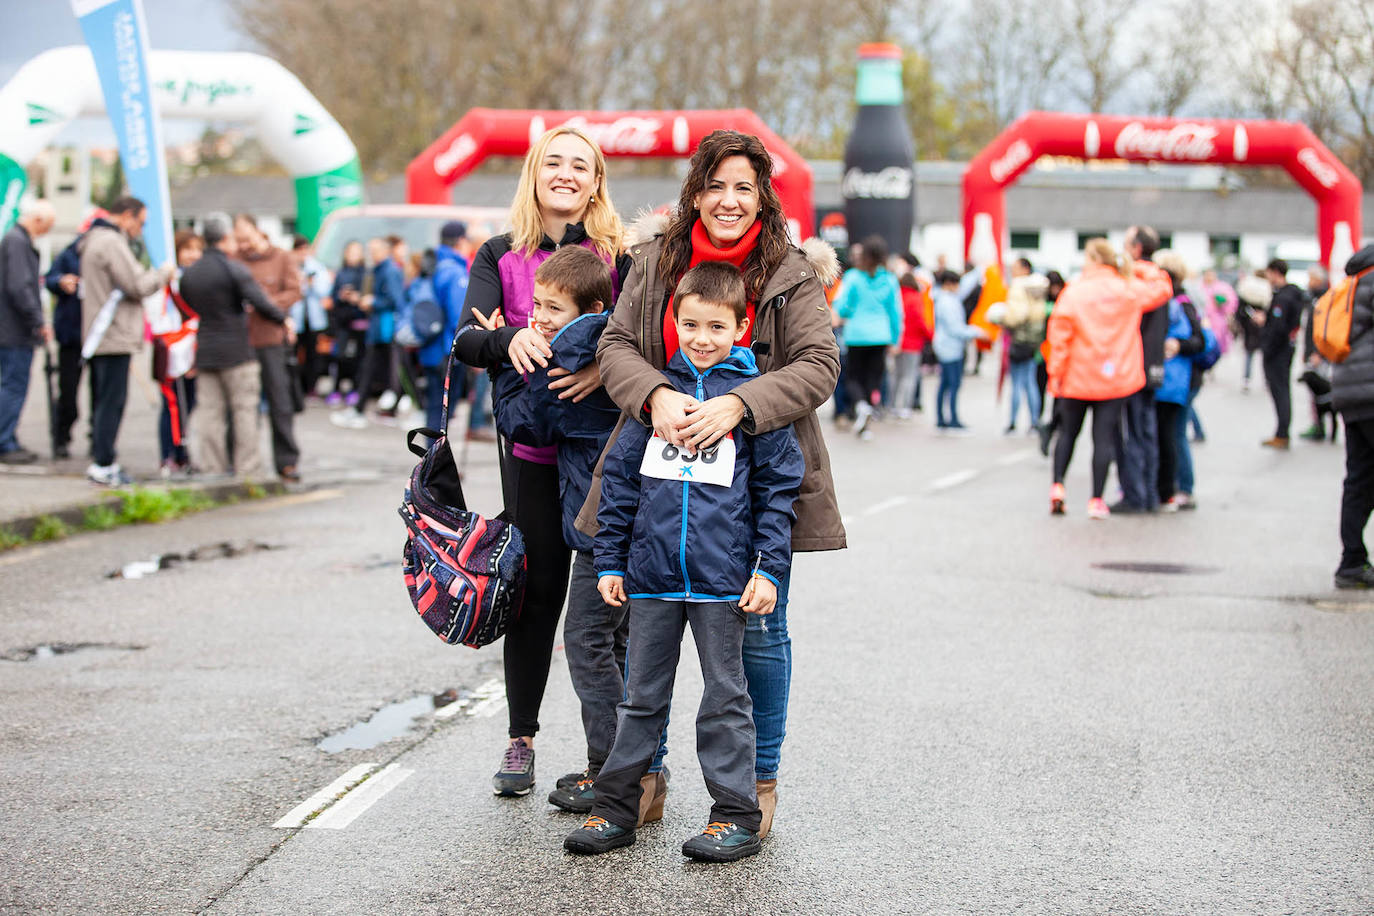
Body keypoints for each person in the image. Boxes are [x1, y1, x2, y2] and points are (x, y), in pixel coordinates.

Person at [587, 129, 844, 839]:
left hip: (752, 480)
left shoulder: (789, 269)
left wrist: (740, 403)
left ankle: (753, 789)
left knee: (755, 643)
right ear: (695, 191)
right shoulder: (656, 258)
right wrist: (654, 396)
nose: (729, 201)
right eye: (716, 185)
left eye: (744, 186)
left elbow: (820, 364)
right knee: (646, 640)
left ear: (762, 193)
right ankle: (641, 783)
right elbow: (614, 345)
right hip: (658, 480)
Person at [565, 262, 803, 862]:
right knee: (641, 697)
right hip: (651, 581)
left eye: (716, 326)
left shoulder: (748, 404)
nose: (702, 337)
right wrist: (611, 562)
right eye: (690, 324)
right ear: (674, 323)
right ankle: (618, 808)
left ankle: (735, 815)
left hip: (725, 584)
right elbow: (619, 483)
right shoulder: (657, 398)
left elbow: (778, 492)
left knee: (725, 698)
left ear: (741, 328)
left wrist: (769, 569)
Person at [450, 125, 627, 797]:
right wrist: (511, 339)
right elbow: (467, 338)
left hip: (602, 454)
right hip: (529, 453)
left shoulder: (619, 257)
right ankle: (520, 737)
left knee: (606, 610)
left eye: (579, 165)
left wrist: (601, 370)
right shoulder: (499, 253)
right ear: (534, 173)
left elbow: (640, 340)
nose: (565, 173)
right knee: (534, 595)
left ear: (595, 180)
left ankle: (605, 758)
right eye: (553, 162)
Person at [486, 246, 627, 815]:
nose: (539, 317)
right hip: (633, 520)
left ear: (592, 308)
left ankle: (613, 770)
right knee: (620, 644)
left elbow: (523, 422)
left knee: (588, 643)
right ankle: (633, 766)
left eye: (553, 307)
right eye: (536, 304)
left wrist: (504, 366)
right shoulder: (616, 347)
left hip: (600, 525)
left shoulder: (562, 357)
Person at [1046, 238, 1171, 518]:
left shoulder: (1074, 291)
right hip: (1114, 377)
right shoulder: (1128, 289)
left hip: (1076, 376)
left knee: (1068, 434)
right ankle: (1096, 500)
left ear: (1092, 259)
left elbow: (1059, 335)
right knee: (1103, 439)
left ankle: (1058, 487)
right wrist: (1142, 267)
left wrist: (1056, 374)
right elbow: (1163, 289)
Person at [180, 216, 288, 478]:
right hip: (237, 351)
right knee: (243, 412)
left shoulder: (191, 274)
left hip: (205, 350)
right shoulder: (233, 269)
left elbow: (186, 307)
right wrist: (282, 318)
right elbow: (261, 302)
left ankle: (212, 469)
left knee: (210, 414)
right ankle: (247, 470)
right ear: (225, 238)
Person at [79, 195, 175, 487]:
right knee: (112, 402)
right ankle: (104, 463)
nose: (140, 230)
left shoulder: (94, 239)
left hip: (101, 334)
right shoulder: (111, 242)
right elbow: (136, 284)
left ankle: (101, 458)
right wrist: (163, 275)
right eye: (141, 223)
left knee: (102, 400)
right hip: (113, 334)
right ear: (126, 216)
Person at [233, 215, 303, 480]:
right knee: (241, 405)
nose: (244, 245)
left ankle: (287, 461)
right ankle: (239, 462)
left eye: (247, 239)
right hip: (241, 341)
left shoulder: (282, 257)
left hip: (272, 339)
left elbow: (295, 291)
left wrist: (265, 303)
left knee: (279, 402)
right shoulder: (235, 260)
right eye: (239, 241)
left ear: (258, 233)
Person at [1113, 225, 1167, 514]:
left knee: (1131, 433)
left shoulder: (1135, 282)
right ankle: (1149, 495)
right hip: (1153, 364)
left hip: (1133, 365)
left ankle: (1135, 494)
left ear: (1136, 249)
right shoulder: (1161, 280)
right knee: (1147, 433)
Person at [44, 208, 106, 459]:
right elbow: (49, 278)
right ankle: (61, 437)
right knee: (68, 393)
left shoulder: (108, 253)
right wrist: (60, 282)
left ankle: (97, 440)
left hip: (99, 335)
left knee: (100, 393)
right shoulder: (69, 254)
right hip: (71, 335)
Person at [1330, 244, 1374, 589]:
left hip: (1349, 390)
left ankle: (1352, 562)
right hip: (1370, 388)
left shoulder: (1354, 281)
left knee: (1359, 476)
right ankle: (1353, 562)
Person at [0, 199, 56, 464]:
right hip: (14, 330)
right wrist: (38, 320)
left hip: (10, 328)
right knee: (13, 385)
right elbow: (20, 286)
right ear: (37, 220)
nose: (45, 232)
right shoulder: (18, 242)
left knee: (10, 385)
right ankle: (4, 440)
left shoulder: (13, 240)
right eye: (47, 227)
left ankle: (7, 437)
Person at [1151, 251, 1205, 511]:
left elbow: (1199, 341)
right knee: (1173, 434)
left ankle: (1182, 488)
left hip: (1182, 380)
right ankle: (1177, 486)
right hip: (1182, 379)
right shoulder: (1185, 299)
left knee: (1174, 434)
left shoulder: (1181, 302)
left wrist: (1177, 345)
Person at [833, 235, 902, 439]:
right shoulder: (889, 279)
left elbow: (842, 305)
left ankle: (861, 405)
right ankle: (867, 415)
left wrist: (844, 314)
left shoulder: (853, 277)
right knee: (874, 379)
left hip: (856, 335)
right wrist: (896, 339)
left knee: (853, 377)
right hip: (881, 335)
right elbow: (895, 312)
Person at [332, 236, 404, 429]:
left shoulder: (389, 271)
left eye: (374, 250)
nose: (370, 255)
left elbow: (396, 301)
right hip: (378, 327)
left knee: (395, 371)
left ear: (384, 251)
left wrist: (373, 302)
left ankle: (365, 409)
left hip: (386, 328)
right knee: (375, 369)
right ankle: (362, 409)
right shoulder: (377, 271)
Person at [156, 230, 205, 476]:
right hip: (173, 349)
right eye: (188, 249)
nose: (193, 255)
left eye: (197, 249)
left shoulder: (200, 279)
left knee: (190, 403)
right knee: (172, 404)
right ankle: (168, 454)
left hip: (193, 350)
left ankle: (182, 453)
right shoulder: (170, 281)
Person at [423, 221, 469, 433]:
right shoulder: (455, 271)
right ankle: (434, 462)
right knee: (442, 412)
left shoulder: (433, 263)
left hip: (430, 347)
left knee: (433, 406)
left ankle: (430, 459)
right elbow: (458, 317)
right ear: (460, 240)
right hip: (447, 351)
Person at [1255, 258, 1305, 449]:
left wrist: (1268, 348)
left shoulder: (1283, 297)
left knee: (1280, 391)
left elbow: (1279, 328)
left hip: (1278, 351)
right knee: (1282, 390)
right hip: (1285, 349)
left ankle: (1282, 433)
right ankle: (1281, 432)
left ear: (1275, 272)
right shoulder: (1290, 294)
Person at [932, 268, 986, 431]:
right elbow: (955, 328)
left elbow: (968, 285)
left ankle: (943, 418)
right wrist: (976, 332)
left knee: (945, 384)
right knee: (953, 384)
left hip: (948, 346)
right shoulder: (947, 302)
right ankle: (951, 419)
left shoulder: (946, 298)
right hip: (950, 347)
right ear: (949, 284)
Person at [1001, 265, 1048, 434]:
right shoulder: (1039, 290)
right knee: (1031, 383)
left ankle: (1013, 422)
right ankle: (1034, 421)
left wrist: (1005, 321)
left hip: (1019, 342)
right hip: (1034, 343)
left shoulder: (1019, 288)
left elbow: (1015, 317)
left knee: (1017, 384)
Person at [290, 234, 333, 399]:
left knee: (313, 354)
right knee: (295, 354)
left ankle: (311, 386)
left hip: (314, 318)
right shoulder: (290, 267)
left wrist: (311, 283)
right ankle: (297, 387)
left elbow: (324, 291)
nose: (302, 253)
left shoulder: (316, 267)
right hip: (296, 318)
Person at [325, 240, 367, 406]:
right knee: (339, 356)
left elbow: (368, 295)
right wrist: (341, 296)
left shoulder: (366, 273)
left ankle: (355, 389)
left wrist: (358, 298)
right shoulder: (341, 273)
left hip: (359, 320)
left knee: (358, 358)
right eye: (351, 252)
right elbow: (332, 297)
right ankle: (336, 389)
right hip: (342, 321)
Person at [893, 271, 933, 417]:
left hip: (898, 341)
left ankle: (892, 406)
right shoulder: (916, 298)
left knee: (896, 375)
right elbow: (920, 320)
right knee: (909, 376)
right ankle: (904, 407)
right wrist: (930, 335)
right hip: (913, 343)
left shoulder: (897, 296)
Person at [1234, 272, 1268, 392]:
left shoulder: (1247, 288)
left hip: (1249, 326)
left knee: (1249, 354)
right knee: (1264, 355)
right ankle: (1266, 379)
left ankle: (1246, 378)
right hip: (1262, 326)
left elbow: (1239, 309)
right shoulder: (1266, 288)